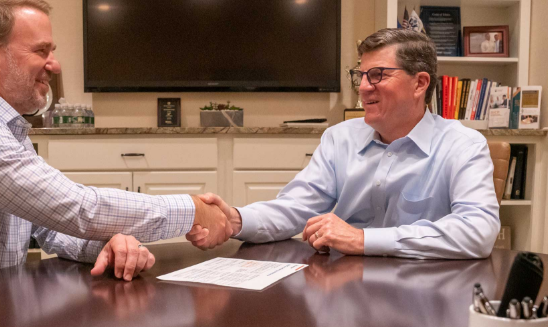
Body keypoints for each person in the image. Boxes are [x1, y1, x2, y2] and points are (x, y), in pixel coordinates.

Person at [0, 0, 230, 316]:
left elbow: (49, 227)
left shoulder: (2, 128)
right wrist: (193, 210)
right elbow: (79, 208)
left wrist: (109, 244)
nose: (55, 65)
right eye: (41, 51)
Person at [188, 28, 500, 260]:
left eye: (377, 75)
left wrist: (364, 239)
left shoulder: (464, 145)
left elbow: (478, 231)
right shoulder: (340, 138)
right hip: (344, 292)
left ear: (419, 83)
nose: (363, 88)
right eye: (360, 76)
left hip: (425, 299)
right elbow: (296, 208)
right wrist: (235, 219)